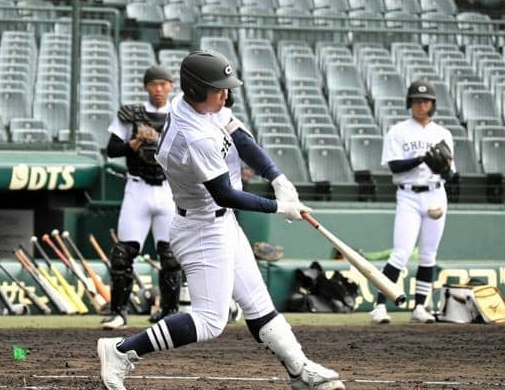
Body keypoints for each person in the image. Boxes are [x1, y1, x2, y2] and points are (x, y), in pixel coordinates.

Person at [97, 51, 345, 390]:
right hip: (201, 228)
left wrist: (277, 177)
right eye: (219, 88)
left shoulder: (198, 107)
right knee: (210, 321)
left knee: (258, 304)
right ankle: (121, 351)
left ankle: (300, 371)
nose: (226, 94)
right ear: (197, 90)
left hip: (221, 223)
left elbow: (239, 136)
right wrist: (279, 208)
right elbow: (225, 194)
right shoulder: (193, 135)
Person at [101, 65, 181, 329]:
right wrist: (134, 142)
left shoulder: (179, 114)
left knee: (170, 256)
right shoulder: (131, 114)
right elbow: (112, 149)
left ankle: (169, 312)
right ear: (147, 86)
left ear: (171, 86)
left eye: (163, 84)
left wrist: (159, 141)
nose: (158, 89)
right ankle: (118, 313)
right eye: (154, 84)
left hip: (169, 190)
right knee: (123, 254)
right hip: (137, 188)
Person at [371, 80, 455, 324]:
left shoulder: (443, 134)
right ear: (410, 103)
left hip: (436, 193)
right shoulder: (398, 131)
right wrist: (421, 159)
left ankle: (419, 307)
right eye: (417, 101)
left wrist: (444, 170)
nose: (421, 105)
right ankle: (379, 306)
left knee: (429, 255)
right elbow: (394, 166)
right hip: (408, 194)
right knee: (401, 253)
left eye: (426, 101)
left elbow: (450, 174)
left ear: (432, 104)